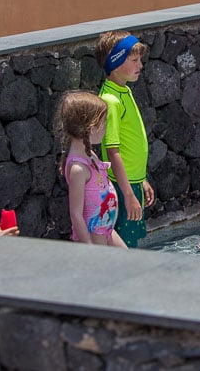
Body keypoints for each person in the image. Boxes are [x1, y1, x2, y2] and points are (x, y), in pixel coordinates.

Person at [95, 31, 154, 248]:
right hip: (121, 187)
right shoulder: (110, 100)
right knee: (124, 244)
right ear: (116, 62)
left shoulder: (123, 90)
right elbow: (113, 151)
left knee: (132, 242)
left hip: (131, 182)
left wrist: (141, 180)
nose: (140, 65)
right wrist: (128, 194)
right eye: (134, 60)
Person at [55, 91, 127, 248]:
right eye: (103, 124)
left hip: (106, 229)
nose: (105, 129)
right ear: (90, 127)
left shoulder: (90, 154)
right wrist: (89, 247)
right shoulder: (78, 169)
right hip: (94, 237)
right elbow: (75, 213)